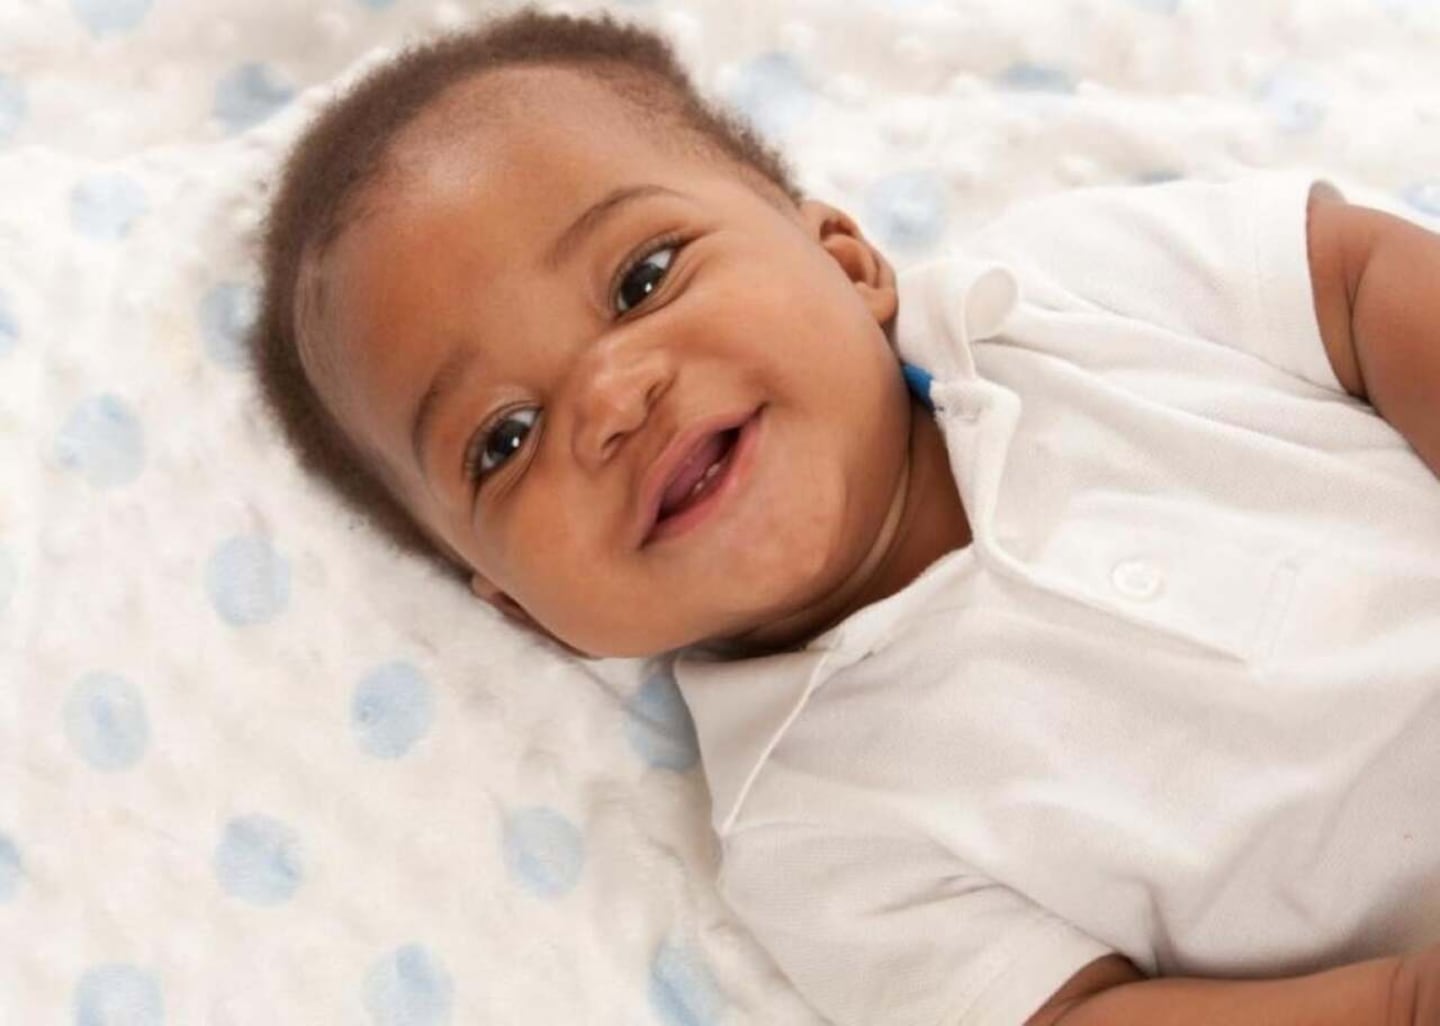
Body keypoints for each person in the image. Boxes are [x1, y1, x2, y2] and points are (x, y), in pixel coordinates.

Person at [250, 6, 1440, 1024]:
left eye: (642, 279)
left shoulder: (1058, 294)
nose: (610, 401)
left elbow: (1351, 275)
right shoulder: (813, 832)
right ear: (527, 611)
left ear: (847, 261)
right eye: (503, 441)